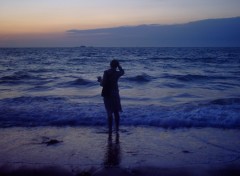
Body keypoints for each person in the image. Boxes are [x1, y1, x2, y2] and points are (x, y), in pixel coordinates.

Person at [98, 59, 124, 133]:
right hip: (115, 94)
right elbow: (123, 72)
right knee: (116, 112)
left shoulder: (106, 72)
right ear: (116, 66)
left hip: (108, 94)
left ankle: (110, 129)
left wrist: (100, 80)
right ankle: (117, 129)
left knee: (109, 112)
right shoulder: (117, 73)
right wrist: (119, 66)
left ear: (110, 64)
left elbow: (103, 84)